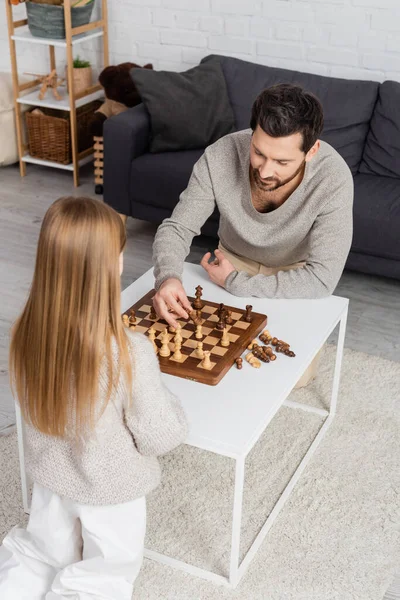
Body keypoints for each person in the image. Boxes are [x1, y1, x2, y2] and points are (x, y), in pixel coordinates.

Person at [0, 197, 188, 600]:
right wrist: (174, 408)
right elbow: (159, 435)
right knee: (102, 577)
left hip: (51, 483)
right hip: (109, 493)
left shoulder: (24, 334)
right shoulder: (129, 353)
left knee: (41, 556)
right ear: (110, 267)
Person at [152, 83, 354, 329]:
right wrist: (168, 278)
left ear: (311, 151)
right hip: (230, 262)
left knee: (296, 360)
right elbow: (178, 227)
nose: (266, 171)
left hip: (295, 276)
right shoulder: (220, 155)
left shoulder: (333, 178)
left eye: (281, 161)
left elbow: (322, 279)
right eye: (258, 152)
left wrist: (235, 282)